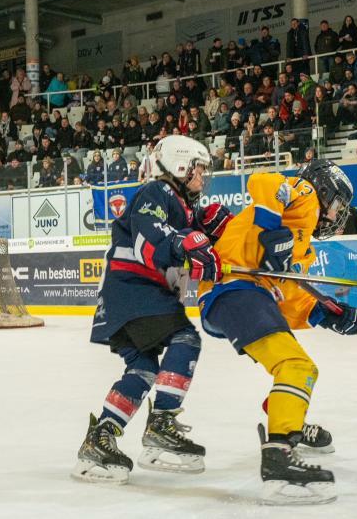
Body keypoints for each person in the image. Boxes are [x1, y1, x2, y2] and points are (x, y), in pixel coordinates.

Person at [198, 160, 357, 505]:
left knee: (299, 368)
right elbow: (263, 181)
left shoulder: (303, 250)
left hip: (247, 295)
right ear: (325, 190)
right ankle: (279, 455)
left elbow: (289, 296)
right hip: (234, 287)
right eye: (337, 205)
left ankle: (289, 425)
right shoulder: (304, 196)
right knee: (296, 367)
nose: (335, 214)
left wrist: (327, 313)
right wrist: (272, 231)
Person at [73, 136, 227, 484]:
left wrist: (215, 239)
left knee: (142, 369)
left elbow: (193, 239)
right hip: (133, 291)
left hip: (122, 300)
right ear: (180, 166)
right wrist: (184, 245)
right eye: (199, 170)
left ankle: (100, 439)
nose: (203, 178)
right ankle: (163, 422)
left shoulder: (183, 208)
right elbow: (151, 239)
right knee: (186, 339)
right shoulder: (156, 194)